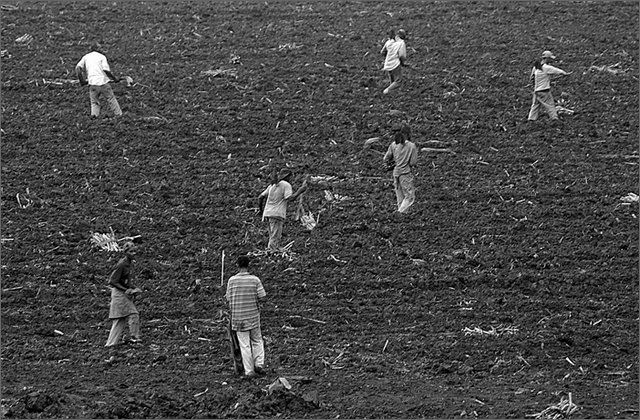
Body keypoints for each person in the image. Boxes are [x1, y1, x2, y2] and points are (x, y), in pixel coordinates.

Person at [225, 255, 267, 378]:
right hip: (253, 316)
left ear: (237, 265)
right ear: (249, 265)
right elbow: (262, 296)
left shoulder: (231, 281)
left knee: (244, 345)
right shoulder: (255, 280)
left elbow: (228, 298)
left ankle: (249, 371)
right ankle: (259, 364)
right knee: (257, 340)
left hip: (238, 318)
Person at [258, 168, 308, 250]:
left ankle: (272, 251)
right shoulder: (286, 185)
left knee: (272, 235)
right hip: (277, 214)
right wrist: (300, 191)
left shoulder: (272, 185)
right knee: (275, 237)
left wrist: (261, 210)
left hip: (268, 213)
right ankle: (272, 253)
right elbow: (290, 198)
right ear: (287, 176)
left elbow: (260, 197)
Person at [105, 243, 142, 346]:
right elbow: (112, 281)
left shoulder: (129, 263)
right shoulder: (122, 264)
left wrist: (133, 288)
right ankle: (134, 338)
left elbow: (125, 280)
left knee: (119, 319)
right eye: (131, 251)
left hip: (122, 292)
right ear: (125, 252)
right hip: (119, 293)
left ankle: (111, 344)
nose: (133, 253)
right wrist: (126, 290)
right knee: (133, 314)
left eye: (134, 251)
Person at [75, 42, 123, 118]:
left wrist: (82, 81)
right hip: (103, 83)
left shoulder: (86, 57)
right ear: (98, 49)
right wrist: (114, 78)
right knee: (111, 98)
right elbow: (106, 70)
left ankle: (94, 116)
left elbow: (78, 68)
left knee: (94, 102)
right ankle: (118, 115)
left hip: (92, 84)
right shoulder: (102, 57)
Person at [383, 125, 418, 213]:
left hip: (396, 173)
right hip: (405, 174)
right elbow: (413, 162)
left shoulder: (394, 145)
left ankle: (402, 217)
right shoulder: (411, 146)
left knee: (400, 198)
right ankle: (399, 213)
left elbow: (386, 158)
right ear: (407, 134)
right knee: (409, 197)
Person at [527, 50, 570, 122]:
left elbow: (532, 78)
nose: (551, 60)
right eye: (550, 58)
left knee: (535, 105)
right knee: (550, 105)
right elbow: (556, 70)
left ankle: (531, 119)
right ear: (547, 58)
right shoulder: (546, 67)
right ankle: (555, 119)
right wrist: (564, 73)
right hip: (544, 91)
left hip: (536, 90)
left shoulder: (536, 67)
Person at [380, 28, 407, 94]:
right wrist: (402, 62)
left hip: (388, 64)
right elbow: (401, 55)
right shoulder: (401, 43)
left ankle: (390, 95)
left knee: (392, 81)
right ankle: (386, 91)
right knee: (398, 81)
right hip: (395, 64)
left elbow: (382, 52)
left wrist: (389, 57)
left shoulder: (389, 42)